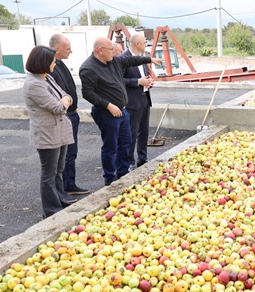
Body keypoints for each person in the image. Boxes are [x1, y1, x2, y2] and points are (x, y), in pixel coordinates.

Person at [79, 37, 162, 186]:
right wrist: (108, 105)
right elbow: (88, 93)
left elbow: (131, 61)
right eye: (111, 49)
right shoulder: (88, 68)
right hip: (107, 113)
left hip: (123, 111)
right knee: (110, 146)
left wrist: (150, 59)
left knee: (126, 143)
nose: (115, 52)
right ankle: (110, 178)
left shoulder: (113, 61)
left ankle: (123, 173)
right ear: (100, 50)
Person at [23, 46, 74, 218]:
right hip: (47, 134)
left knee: (59, 170)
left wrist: (65, 100)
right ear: (43, 62)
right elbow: (58, 106)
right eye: (53, 61)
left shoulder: (47, 78)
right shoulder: (34, 84)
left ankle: (61, 201)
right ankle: (51, 211)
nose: (54, 64)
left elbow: (67, 96)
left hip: (59, 131)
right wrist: (64, 101)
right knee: (49, 173)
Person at [49, 34, 90, 196]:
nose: (71, 51)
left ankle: (70, 184)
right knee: (63, 155)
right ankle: (62, 188)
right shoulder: (51, 67)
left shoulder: (61, 64)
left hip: (72, 114)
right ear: (55, 49)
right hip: (63, 116)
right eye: (67, 49)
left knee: (71, 152)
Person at [122, 33, 154, 170]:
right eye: (144, 42)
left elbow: (143, 77)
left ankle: (143, 158)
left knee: (144, 132)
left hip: (145, 99)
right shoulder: (123, 59)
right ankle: (129, 162)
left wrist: (148, 81)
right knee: (132, 133)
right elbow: (119, 80)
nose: (146, 44)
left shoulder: (142, 59)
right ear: (137, 44)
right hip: (132, 102)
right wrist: (137, 82)